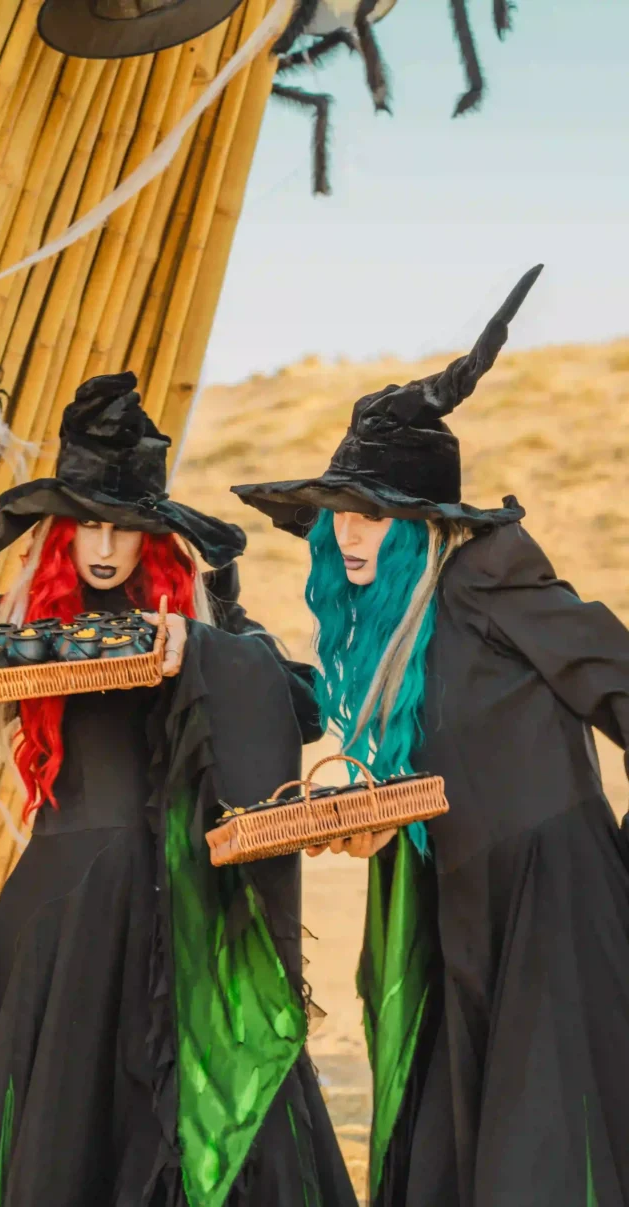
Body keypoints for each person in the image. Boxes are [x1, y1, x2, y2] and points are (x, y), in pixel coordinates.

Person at [0, 372, 357, 1207]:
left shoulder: (200, 616)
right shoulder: (21, 634)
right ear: (59, 531)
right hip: (63, 927)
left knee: (230, 1133)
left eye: (122, 527)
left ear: (151, 535)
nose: (102, 545)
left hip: (187, 912)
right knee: (63, 1150)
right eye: (87, 523)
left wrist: (197, 648)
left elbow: (301, 708)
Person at [231, 266, 629, 1207]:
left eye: (375, 514)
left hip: (551, 900)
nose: (353, 534)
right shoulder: (382, 629)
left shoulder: (488, 575)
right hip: (452, 909)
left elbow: (616, 678)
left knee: (542, 1158)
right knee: (455, 1159)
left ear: (425, 523)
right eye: (342, 514)